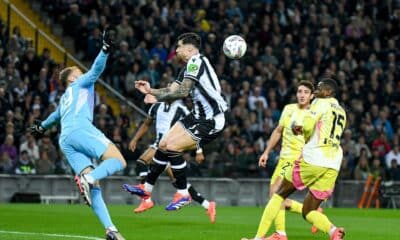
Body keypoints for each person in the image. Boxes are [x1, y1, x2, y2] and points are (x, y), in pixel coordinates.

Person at [30, 28, 126, 240]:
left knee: (95, 189)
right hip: (80, 129)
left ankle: (111, 230)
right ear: (72, 78)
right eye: (77, 72)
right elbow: (95, 71)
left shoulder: (65, 98)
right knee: (118, 160)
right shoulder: (80, 83)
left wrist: (41, 127)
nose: (81, 73)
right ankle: (89, 178)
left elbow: (54, 117)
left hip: (66, 139)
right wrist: (105, 49)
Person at [130, 32, 228, 211]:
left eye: (179, 47)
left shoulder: (197, 62)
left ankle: (183, 194)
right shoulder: (188, 67)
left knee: (174, 147)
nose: (176, 50)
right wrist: (151, 91)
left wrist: (155, 95)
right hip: (196, 116)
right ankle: (146, 190)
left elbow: (182, 92)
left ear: (190, 48)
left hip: (212, 120)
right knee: (164, 144)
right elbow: (171, 89)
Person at [242, 78, 346, 240]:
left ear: (329, 92)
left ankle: (260, 238)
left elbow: (308, 126)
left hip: (314, 157)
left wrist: (299, 129)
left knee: (278, 194)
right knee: (308, 210)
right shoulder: (341, 110)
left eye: (320, 87)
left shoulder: (319, 102)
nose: (317, 89)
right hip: (333, 162)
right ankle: (333, 231)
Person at [122, 96, 216, 223]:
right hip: (160, 145)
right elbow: (146, 123)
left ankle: (147, 199)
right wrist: (135, 139)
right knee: (178, 183)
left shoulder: (182, 110)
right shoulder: (156, 106)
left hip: (170, 147)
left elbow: (196, 128)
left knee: (141, 162)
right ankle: (207, 204)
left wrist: (199, 150)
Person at [257, 80, 318, 240]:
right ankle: (311, 211)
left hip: (297, 159)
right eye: (299, 91)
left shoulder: (314, 114)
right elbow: (278, 131)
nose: (302, 95)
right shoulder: (289, 109)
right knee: (276, 197)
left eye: (306, 92)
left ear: (312, 96)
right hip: (283, 159)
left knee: (275, 193)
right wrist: (266, 152)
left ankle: (280, 234)